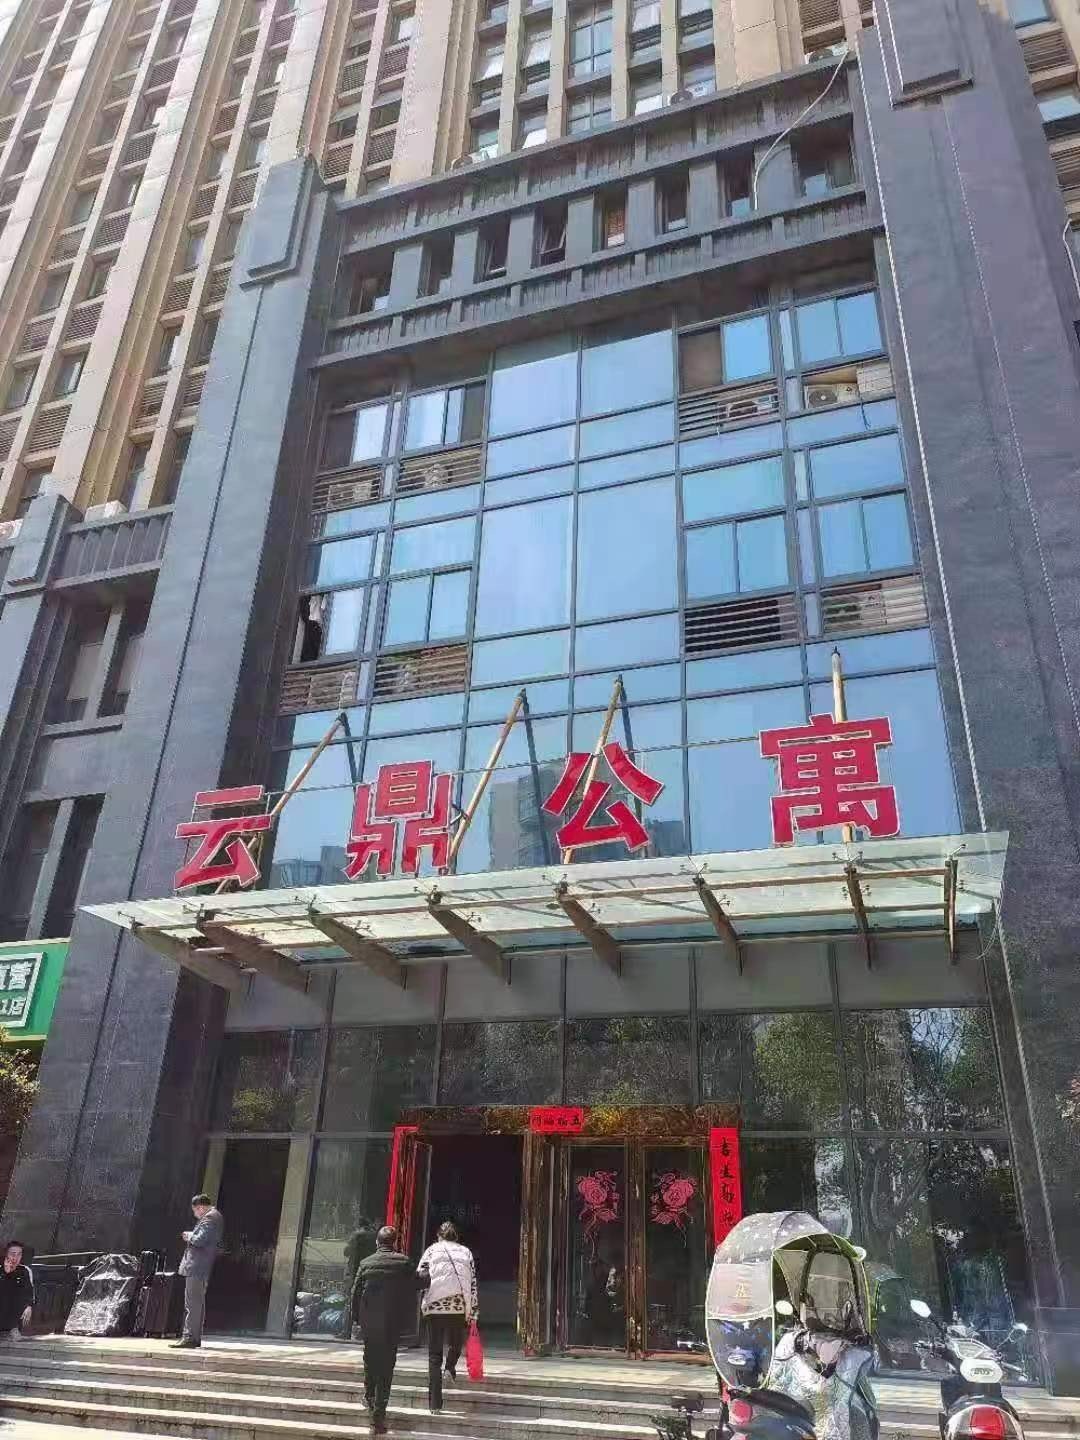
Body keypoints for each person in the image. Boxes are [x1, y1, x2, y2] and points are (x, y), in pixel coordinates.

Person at [351, 1226, 429, 1436]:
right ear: (394, 1243)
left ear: (377, 1242)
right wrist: (427, 1271)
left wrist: (356, 1320)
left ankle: (370, 1399)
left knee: (370, 1363)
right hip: (392, 1325)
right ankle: (378, 1417)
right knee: (386, 1369)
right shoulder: (403, 1263)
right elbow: (419, 1283)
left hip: (369, 1324)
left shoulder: (366, 1263)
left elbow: (354, 1293)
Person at [417, 1221, 478, 1414]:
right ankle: (450, 1367)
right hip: (458, 1307)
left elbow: (420, 1276)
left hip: (435, 1307)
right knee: (456, 1344)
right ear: (456, 1237)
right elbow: (473, 1283)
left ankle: (435, 1404)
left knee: (434, 1356)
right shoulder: (466, 1252)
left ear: (439, 1236)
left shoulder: (431, 1251)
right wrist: (473, 1311)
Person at [171, 1193, 224, 1350]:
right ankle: (194, 1337)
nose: (195, 1214)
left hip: (197, 1267)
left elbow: (200, 1240)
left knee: (192, 1303)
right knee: (196, 1303)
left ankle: (189, 1337)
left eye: (195, 1211)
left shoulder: (210, 1218)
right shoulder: (213, 1217)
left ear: (200, 1207)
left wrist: (189, 1236)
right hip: (200, 1267)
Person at [0, 1242, 33, 1341]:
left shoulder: (24, 1270)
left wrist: (29, 1306)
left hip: (13, 1312)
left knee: (20, 1297)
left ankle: (12, 1328)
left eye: (19, 1254)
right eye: (13, 1254)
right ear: (6, 1254)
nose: (16, 1257)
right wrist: (6, 1274)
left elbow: (29, 1291)